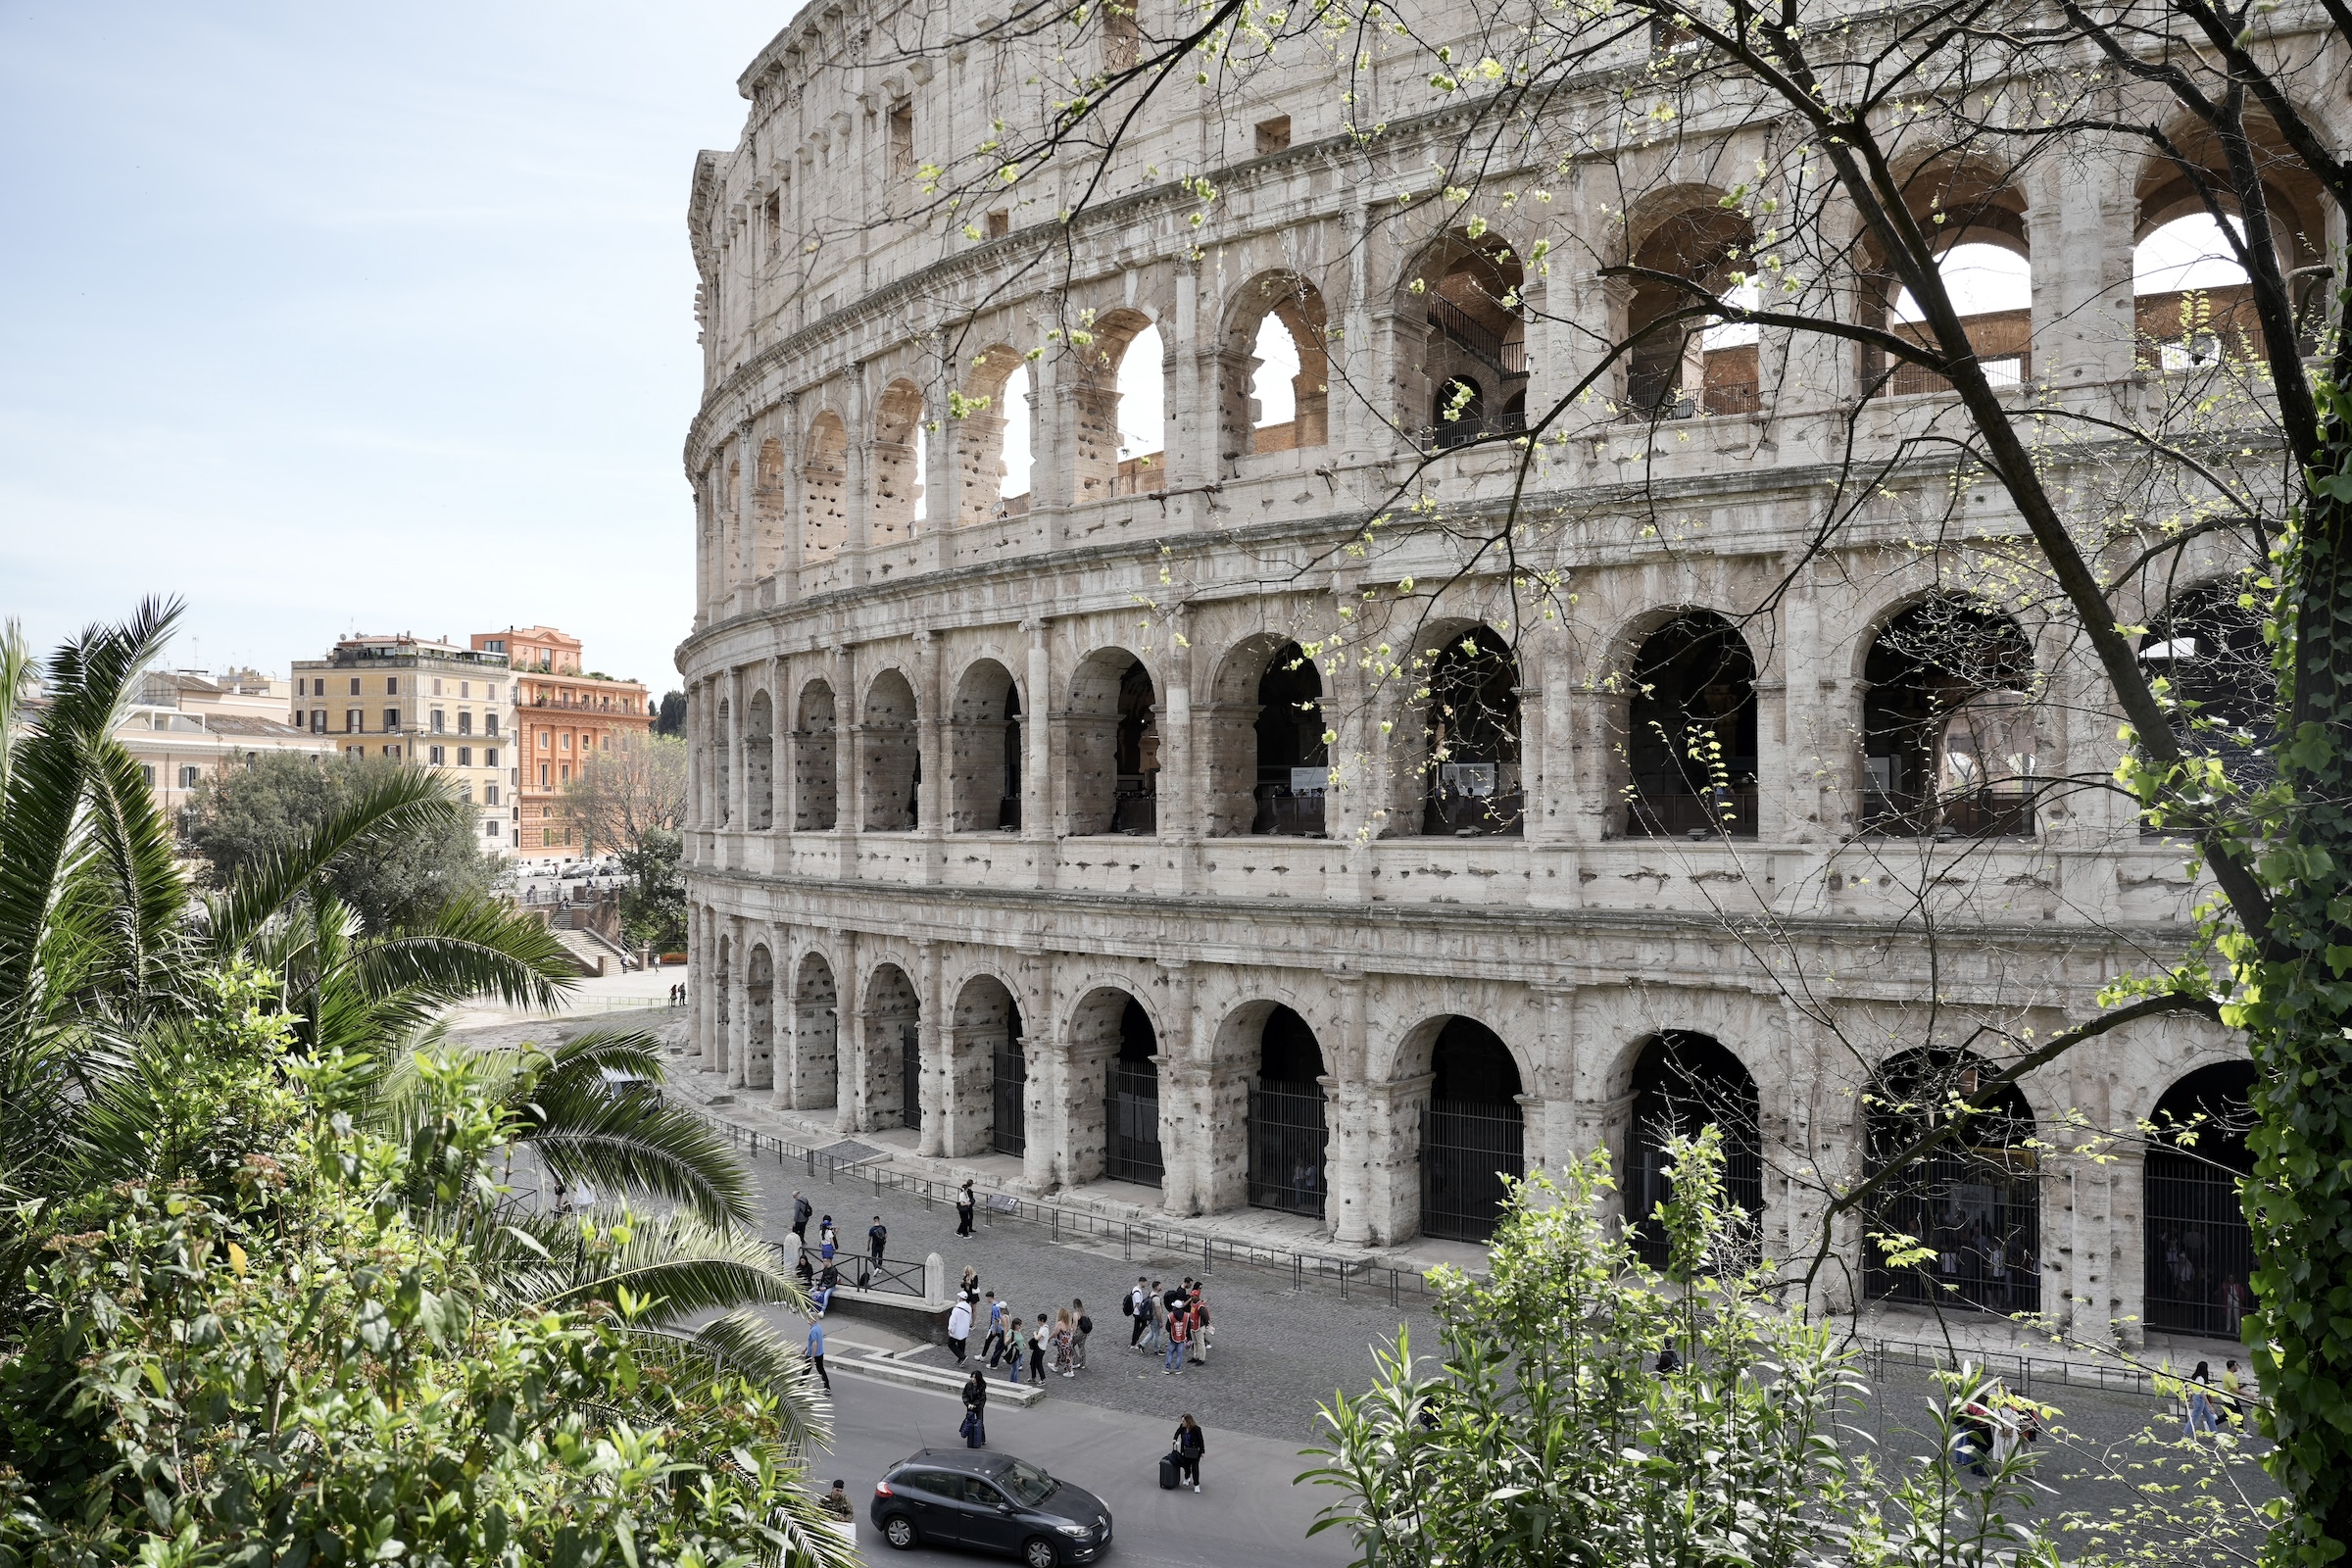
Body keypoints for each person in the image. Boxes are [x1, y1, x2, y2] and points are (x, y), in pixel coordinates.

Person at [1171, 1414, 1205, 1492]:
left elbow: (1201, 1441)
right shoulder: (1182, 1427)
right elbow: (1177, 1432)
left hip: (1194, 1451)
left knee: (1194, 1468)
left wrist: (1202, 1452)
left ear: (1188, 1422)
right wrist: (1174, 1439)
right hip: (1186, 1450)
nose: (1182, 1422)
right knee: (1186, 1466)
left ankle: (1196, 1484)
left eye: (1183, 1421)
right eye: (1182, 1421)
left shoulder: (1196, 1429)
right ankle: (1187, 1478)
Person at [2185, 1362, 2220, 1436]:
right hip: (2200, 1399)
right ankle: (2186, 1435)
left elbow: (2193, 1389)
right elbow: (2202, 1393)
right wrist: (2210, 1406)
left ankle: (2215, 1435)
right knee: (2194, 1419)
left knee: (2210, 1418)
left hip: (2198, 1398)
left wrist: (2190, 1399)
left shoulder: (2196, 1377)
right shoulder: (2201, 1379)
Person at [961, 1369, 989, 1448]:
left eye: (974, 1377)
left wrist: (974, 1405)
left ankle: (982, 1438)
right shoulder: (968, 1385)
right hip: (970, 1406)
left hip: (978, 1407)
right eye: (972, 1377)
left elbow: (982, 1399)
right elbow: (964, 1395)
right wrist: (968, 1404)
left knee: (980, 1422)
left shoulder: (981, 1387)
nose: (973, 1379)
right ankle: (970, 1437)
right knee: (969, 1422)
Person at [1163, 1300, 1190, 1374]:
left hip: (1173, 1337)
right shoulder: (1186, 1316)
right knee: (1179, 1353)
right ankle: (1177, 1369)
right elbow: (1188, 1326)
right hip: (1182, 1337)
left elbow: (1167, 1327)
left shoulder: (1170, 1316)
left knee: (1170, 1352)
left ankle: (1167, 1369)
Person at [804, 1316, 830, 1392]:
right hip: (820, 1354)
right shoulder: (818, 1327)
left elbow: (815, 1344)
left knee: (805, 1371)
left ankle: (799, 1386)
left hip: (813, 1354)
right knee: (821, 1370)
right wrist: (806, 1348)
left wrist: (812, 1357)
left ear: (812, 1320)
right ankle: (827, 1387)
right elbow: (812, 1342)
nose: (807, 1320)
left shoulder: (813, 1330)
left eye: (809, 1318)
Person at [1188, 1285, 1211, 1366]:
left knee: (1201, 1343)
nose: (1191, 1297)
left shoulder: (1200, 1306)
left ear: (1196, 1296)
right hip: (1193, 1325)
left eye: (1192, 1296)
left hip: (1199, 1327)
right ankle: (1195, 1356)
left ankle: (1202, 1359)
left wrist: (1206, 1324)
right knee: (1195, 1342)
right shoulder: (1193, 1303)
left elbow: (1205, 1316)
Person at [947, 1293, 973, 1363]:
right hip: (965, 1329)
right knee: (962, 1343)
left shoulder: (956, 1308)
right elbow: (970, 1318)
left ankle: (962, 1357)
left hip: (957, 1329)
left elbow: (953, 1319)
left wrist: (950, 1328)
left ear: (960, 1298)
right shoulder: (968, 1307)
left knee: (951, 1344)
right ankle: (961, 1360)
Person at [982, 1292, 1006, 1365]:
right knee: (1003, 1343)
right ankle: (1007, 1356)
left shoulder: (994, 1307)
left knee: (988, 1341)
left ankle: (983, 1356)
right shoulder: (999, 1304)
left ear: (989, 1297)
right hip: (1000, 1328)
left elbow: (996, 1319)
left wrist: (994, 1330)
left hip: (995, 1328)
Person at [1127, 1277, 1152, 1349]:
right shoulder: (1137, 1292)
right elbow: (1138, 1304)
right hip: (1137, 1313)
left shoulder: (1135, 1289)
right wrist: (1142, 1311)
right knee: (1140, 1326)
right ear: (1141, 1282)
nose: (1145, 1284)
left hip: (1136, 1312)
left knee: (1138, 1326)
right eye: (1145, 1283)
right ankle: (1134, 1342)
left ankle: (1134, 1342)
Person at [2222, 1358, 2246, 1426]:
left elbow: (2234, 1388)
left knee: (2232, 1414)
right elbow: (2235, 1390)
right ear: (2232, 1367)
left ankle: (2240, 1432)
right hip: (2231, 1398)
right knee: (2235, 1414)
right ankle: (2240, 1432)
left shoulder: (2227, 1375)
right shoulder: (2230, 1376)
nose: (2237, 1367)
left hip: (2230, 1397)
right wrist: (2247, 1394)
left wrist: (2240, 1387)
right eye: (2236, 1366)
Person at [1004, 1314, 1028, 1384]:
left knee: (1017, 1366)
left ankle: (1014, 1380)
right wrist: (1010, 1339)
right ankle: (1014, 1381)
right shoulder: (1011, 1332)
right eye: (1019, 1325)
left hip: (1020, 1351)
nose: (1020, 1326)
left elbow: (1020, 1338)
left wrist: (1023, 1343)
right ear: (1015, 1325)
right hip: (1014, 1352)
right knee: (1015, 1368)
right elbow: (1006, 1342)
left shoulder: (1019, 1331)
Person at [1071, 1298, 1091, 1371]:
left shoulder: (1076, 1314)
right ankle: (1082, 1363)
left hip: (1078, 1332)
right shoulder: (1084, 1312)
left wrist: (1072, 1334)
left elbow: (1075, 1325)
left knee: (1070, 1345)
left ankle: (1076, 1360)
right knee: (1081, 1346)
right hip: (1084, 1333)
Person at [1029, 1312, 1050, 1384]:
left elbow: (1037, 1338)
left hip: (1040, 1349)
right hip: (1038, 1348)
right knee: (1032, 1363)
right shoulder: (1043, 1328)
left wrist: (1035, 1333)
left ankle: (1042, 1379)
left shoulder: (1044, 1329)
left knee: (1038, 1364)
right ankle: (1033, 1377)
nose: (1038, 1322)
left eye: (1039, 1320)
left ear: (1042, 1320)